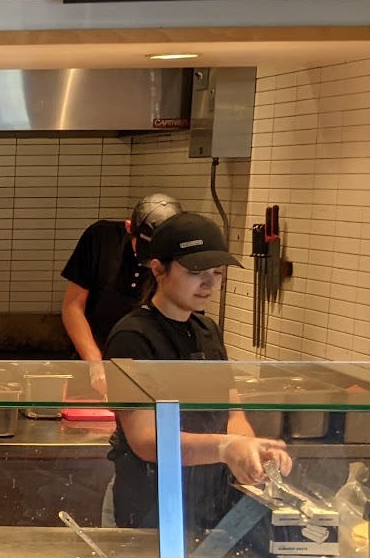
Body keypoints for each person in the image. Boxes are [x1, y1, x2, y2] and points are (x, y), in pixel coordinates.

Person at [103, 212, 292, 535]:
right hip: (150, 506)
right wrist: (225, 448)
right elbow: (145, 441)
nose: (209, 284)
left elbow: (232, 412)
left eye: (216, 273)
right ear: (158, 269)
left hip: (209, 502)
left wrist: (251, 450)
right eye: (195, 272)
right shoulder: (132, 337)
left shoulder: (208, 330)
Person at [60, 192, 184, 365]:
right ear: (129, 227)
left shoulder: (179, 259)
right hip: (93, 357)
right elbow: (72, 307)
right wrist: (96, 364)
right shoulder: (101, 237)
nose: (153, 261)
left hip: (150, 364)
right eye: (145, 249)